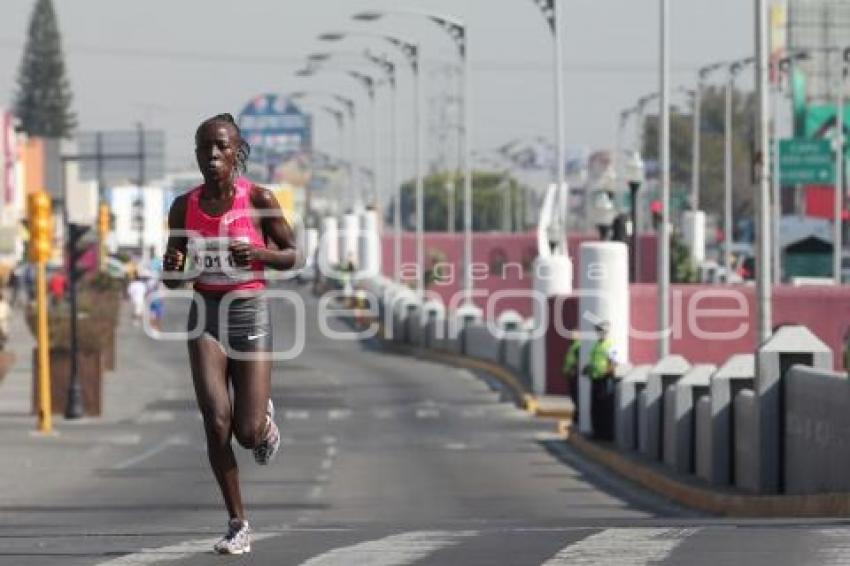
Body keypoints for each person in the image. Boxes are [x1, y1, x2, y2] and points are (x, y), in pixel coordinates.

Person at [162, 113, 298, 555]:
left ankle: (263, 425)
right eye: (205, 147)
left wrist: (256, 251)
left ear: (238, 152)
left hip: (249, 311)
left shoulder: (258, 198)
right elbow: (172, 272)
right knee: (215, 422)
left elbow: (292, 254)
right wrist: (174, 270)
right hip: (206, 312)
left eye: (222, 147)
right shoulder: (184, 206)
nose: (213, 155)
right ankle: (237, 523)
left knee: (245, 432)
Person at [582, 320, 618, 440]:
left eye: (602, 331)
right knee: (595, 407)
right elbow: (593, 361)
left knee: (605, 408)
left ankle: (605, 434)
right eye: (598, 331)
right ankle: (597, 432)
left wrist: (606, 372)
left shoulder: (610, 345)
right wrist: (587, 369)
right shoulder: (596, 345)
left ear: (606, 332)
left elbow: (613, 363)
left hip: (605, 379)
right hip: (595, 379)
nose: (600, 333)